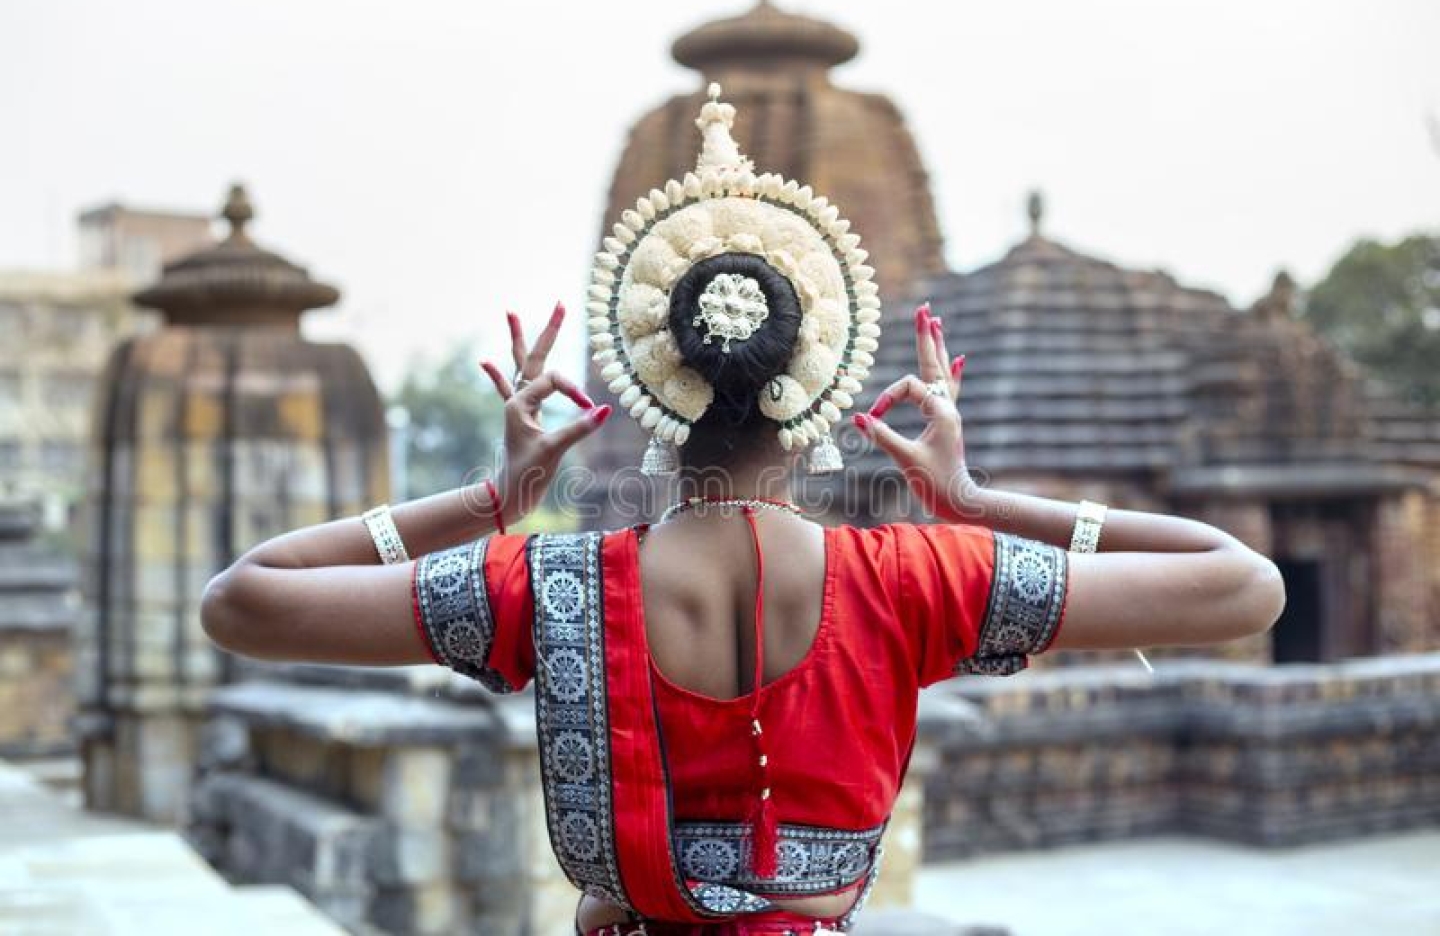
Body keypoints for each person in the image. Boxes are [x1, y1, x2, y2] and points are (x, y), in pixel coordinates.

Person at [200, 86, 1285, 935]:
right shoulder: (920, 577)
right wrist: (976, 499)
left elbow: (244, 600)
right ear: (816, 397)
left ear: (651, 398)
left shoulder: (547, 588)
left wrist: (495, 498)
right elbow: (1244, 579)